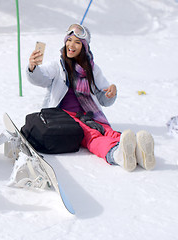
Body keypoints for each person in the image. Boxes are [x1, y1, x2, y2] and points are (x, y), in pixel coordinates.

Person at [26, 24, 156, 171]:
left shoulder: (92, 69)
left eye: (77, 42)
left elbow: (103, 98)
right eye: (69, 40)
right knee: (91, 135)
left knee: (107, 130)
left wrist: (110, 93)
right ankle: (117, 155)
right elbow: (40, 78)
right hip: (65, 117)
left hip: (90, 114)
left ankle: (139, 153)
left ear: (84, 46)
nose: (71, 45)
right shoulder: (58, 65)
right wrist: (33, 68)